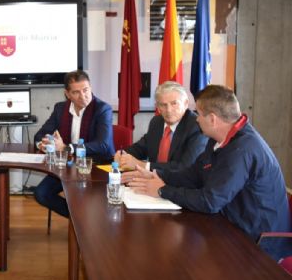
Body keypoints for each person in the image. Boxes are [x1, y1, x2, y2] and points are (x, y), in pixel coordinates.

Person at [124, 85, 291, 261]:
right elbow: (195, 174)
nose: (196, 119)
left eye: (199, 114)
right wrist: (158, 176)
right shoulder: (218, 139)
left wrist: (162, 190)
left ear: (212, 119)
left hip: (258, 243)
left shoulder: (242, 150)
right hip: (232, 224)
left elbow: (210, 201)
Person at [33, 70, 115, 218]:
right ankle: (79, 219)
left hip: (96, 166)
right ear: (67, 94)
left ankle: (85, 220)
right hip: (68, 166)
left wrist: (66, 147)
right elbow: (39, 135)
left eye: (86, 90)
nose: (83, 96)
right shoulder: (60, 109)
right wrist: (45, 144)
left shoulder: (102, 109)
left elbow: (103, 145)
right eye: (76, 92)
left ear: (91, 87)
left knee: (87, 198)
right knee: (41, 194)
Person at [114, 81, 207, 172]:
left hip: (181, 184)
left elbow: (185, 167)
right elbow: (141, 147)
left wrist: (142, 165)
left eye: (174, 103)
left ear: (186, 103)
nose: (169, 110)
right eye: (163, 105)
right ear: (157, 107)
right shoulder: (156, 122)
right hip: (152, 181)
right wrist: (123, 154)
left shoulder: (196, 126)